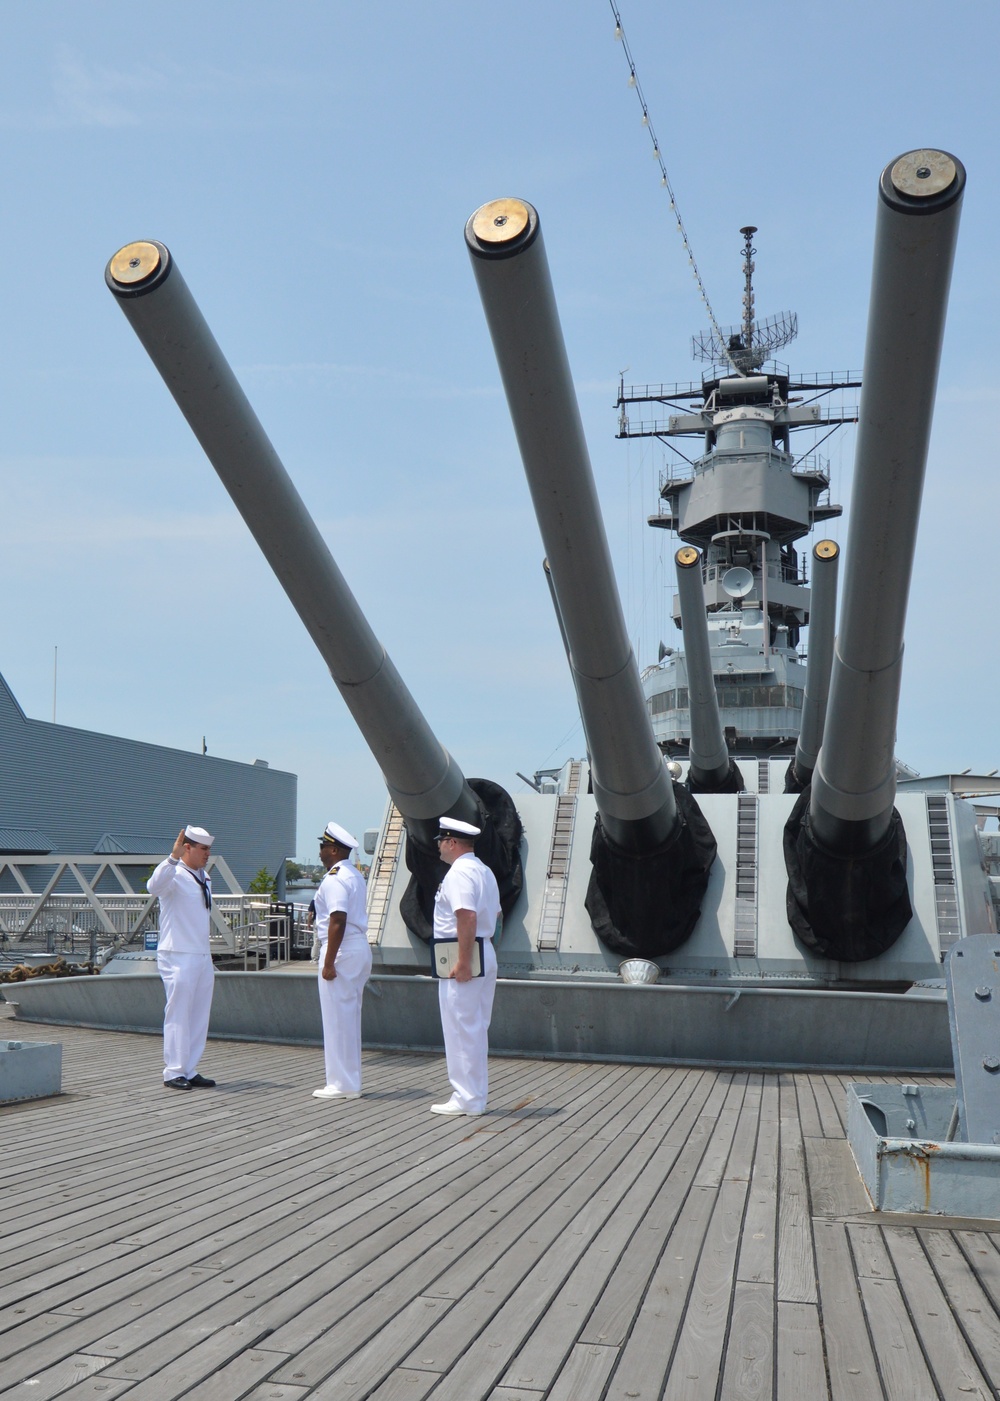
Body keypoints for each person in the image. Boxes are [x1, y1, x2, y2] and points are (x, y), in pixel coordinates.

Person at [431, 816, 501, 1116]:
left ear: (451, 842)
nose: (438, 846)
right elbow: (495, 916)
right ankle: (475, 1096)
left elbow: (466, 916)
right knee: (474, 1028)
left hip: (464, 957)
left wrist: (462, 961)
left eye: (441, 841)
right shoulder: (483, 871)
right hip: (483, 951)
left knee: (461, 1028)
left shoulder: (459, 873)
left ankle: (466, 1098)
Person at [147, 825, 217, 1091]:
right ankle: (173, 1070)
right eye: (203, 849)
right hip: (177, 953)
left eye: (209, 849)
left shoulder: (204, 878)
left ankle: (190, 1067)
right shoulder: (173, 873)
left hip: (200, 953)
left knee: (200, 1013)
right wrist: (171, 857)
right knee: (178, 1012)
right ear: (187, 847)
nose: (207, 854)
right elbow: (153, 887)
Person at [312, 821, 372, 1101]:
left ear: (333, 849)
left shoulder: (335, 877)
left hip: (342, 949)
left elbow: (338, 918)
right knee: (348, 1018)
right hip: (357, 948)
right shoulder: (355, 875)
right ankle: (348, 1081)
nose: (321, 852)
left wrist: (328, 962)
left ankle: (341, 1084)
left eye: (323, 847)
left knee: (337, 1019)